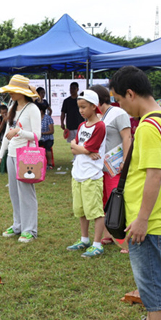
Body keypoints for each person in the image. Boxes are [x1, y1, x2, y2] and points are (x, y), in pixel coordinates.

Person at [110, 66, 161, 320]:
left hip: (147, 220)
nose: (120, 106)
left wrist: (142, 218)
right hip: (153, 216)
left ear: (131, 94)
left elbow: (154, 175)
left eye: (120, 100)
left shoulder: (148, 126)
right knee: (150, 275)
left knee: (151, 280)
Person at [0, 75, 41, 243]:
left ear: (22, 92)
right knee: (14, 192)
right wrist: (1, 155)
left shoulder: (32, 109)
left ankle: (30, 229)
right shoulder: (12, 107)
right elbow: (7, 135)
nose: (11, 94)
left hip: (27, 157)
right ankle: (18, 225)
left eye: (13, 91)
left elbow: (37, 135)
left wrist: (19, 132)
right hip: (12, 156)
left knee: (26, 193)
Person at [66, 90, 107, 257]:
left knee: (95, 211)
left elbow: (82, 147)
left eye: (84, 107)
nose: (81, 110)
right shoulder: (83, 125)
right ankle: (84, 239)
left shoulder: (100, 126)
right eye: (79, 107)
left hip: (92, 175)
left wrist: (80, 149)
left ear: (93, 106)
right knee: (81, 210)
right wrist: (82, 150)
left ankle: (97, 244)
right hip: (78, 173)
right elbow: (75, 147)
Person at [94, 84, 131, 253]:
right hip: (100, 168)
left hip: (115, 168)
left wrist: (125, 161)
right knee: (104, 202)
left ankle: (126, 241)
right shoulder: (98, 116)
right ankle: (109, 234)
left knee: (118, 201)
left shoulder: (118, 113)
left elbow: (127, 138)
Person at [39, 105, 54, 169]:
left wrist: (42, 133)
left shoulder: (48, 118)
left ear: (42, 111)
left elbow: (52, 131)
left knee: (47, 148)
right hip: (39, 138)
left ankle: (49, 164)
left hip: (48, 138)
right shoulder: (36, 118)